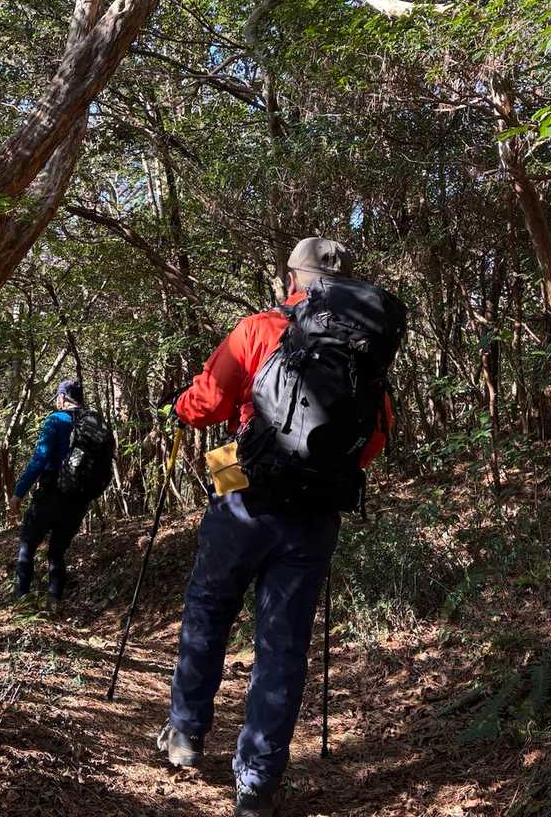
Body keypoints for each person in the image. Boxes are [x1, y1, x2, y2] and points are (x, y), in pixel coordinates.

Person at [157, 237, 397, 817]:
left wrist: (180, 407)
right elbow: (375, 438)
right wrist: (319, 470)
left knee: (209, 605)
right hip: (314, 515)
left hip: (242, 490)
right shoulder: (365, 346)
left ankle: (186, 732)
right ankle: (258, 783)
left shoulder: (259, 328)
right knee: (283, 644)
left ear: (291, 278)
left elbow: (208, 402)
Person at [9, 378, 111, 606]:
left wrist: (18, 493)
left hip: (51, 493)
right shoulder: (94, 423)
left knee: (27, 544)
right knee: (56, 552)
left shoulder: (56, 419)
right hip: (79, 498)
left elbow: (40, 458)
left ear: (63, 397)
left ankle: (21, 600)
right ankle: (54, 602)